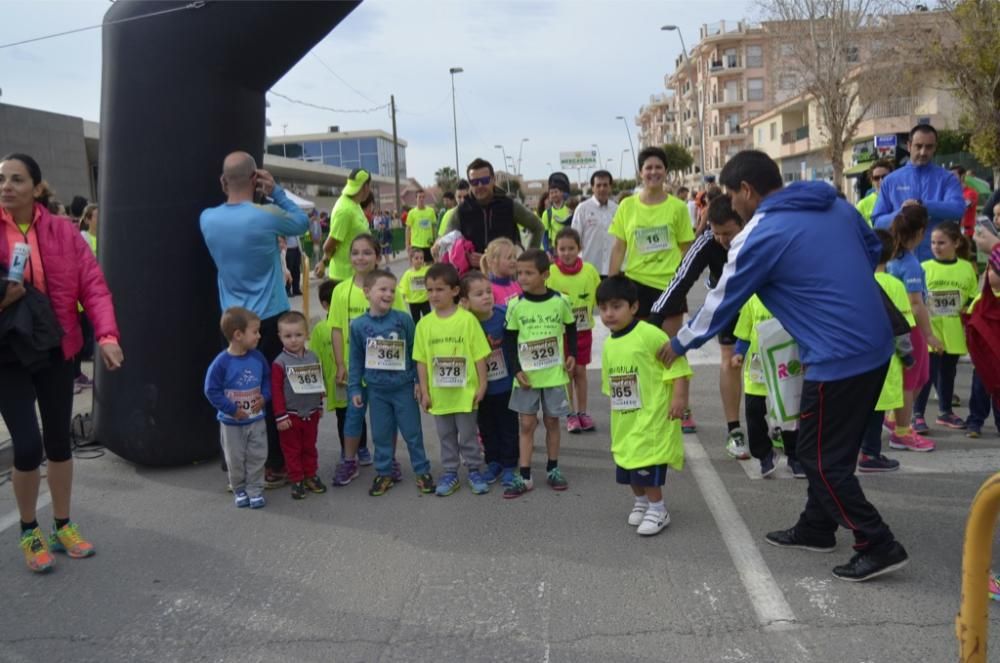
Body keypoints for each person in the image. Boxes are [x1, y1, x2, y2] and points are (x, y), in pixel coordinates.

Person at [661, 150, 908, 582]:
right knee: (830, 447)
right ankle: (817, 526)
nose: (731, 208)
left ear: (746, 191)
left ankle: (877, 542)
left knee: (816, 457)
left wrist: (678, 343)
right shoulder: (836, 205)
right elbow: (871, 248)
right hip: (873, 343)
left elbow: (720, 302)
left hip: (838, 356)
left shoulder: (762, 233)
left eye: (732, 199)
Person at [0, 153, 123, 572]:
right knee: (28, 445)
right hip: (8, 354)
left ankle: (62, 525)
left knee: (57, 442)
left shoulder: (62, 232)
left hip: (57, 348)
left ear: (37, 188)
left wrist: (106, 336)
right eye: (2, 179)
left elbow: (93, 285)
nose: (6, 186)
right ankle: (29, 531)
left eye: (17, 179)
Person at [200, 151, 309, 487]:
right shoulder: (266, 216)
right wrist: (274, 190)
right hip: (267, 319)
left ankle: (237, 461)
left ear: (222, 182)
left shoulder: (207, 219)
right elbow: (302, 223)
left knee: (236, 392)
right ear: (255, 179)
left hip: (232, 320)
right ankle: (275, 464)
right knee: (271, 392)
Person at [649, 194, 747, 456]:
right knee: (729, 358)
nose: (723, 240)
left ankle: (781, 426)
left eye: (728, 233)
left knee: (768, 363)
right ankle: (734, 430)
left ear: (742, 222)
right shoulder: (706, 242)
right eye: (717, 234)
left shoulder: (756, 234)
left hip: (763, 303)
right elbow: (681, 280)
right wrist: (654, 319)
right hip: (726, 302)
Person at [597, 275, 690, 536]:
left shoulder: (649, 334)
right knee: (627, 465)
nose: (609, 314)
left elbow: (677, 364)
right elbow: (611, 384)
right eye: (603, 308)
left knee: (646, 462)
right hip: (626, 418)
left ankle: (658, 509)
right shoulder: (608, 344)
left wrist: (679, 397)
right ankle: (641, 502)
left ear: (634, 307)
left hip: (652, 415)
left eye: (616, 307)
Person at [349, 269, 435, 497]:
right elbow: (356, 359)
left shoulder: (403, 319)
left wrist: (419, 381)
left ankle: (422, 470)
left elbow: (416, 353)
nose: (388, 294)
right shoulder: (358, 326)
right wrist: (355, 387)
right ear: (367, 292)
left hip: (403, 388)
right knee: (381, 434)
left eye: (392, 290)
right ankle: (384, 472)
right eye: (382, 289)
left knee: (412, 432)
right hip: (376, 391)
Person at [329, 234, 407, 485]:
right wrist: (341, 363)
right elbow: (337, 329)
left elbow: (403, 326)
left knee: (387, 417)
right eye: (355, 252)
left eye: (366, 252)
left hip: (387, 369)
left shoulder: (391, 289)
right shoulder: (341, 290)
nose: (360, 257)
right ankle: (349, 461)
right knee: (353, 416)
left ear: (378, 257)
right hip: (357, 369)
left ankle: (388, 459)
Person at [503, 249, 577, 498]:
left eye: (528, 273)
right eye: (519, 272)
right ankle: (524, 475)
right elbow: (509, 340)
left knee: (552, 421)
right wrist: (516, 370)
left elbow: (571, 326)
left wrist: (572, 354)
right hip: (527, 378)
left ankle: (553, 468)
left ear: (545, 274)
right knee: (526, 423)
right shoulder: (515, 305)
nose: (522, 277)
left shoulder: (561, 301)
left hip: (554, 375)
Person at [413, 263, 490, 496]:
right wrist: (424, 391)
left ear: (455, 291)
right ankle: (450, 472)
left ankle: (474, 469)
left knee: (468, 435)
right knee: (445, 436)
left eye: (439, 289)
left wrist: (483, 384)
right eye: (430, 290)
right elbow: (422, 361)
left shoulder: (467, 320)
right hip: (440, 396)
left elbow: (479, 356)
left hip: (465, 393)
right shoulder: (424, 325)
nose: (434, 295)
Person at [608, 146, 694, 320]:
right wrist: (612, 285)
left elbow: (686, 248)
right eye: (648, 168)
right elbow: (619, 247)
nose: (653, 172)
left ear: (665, 171)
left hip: (670, 285)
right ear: (641, 173)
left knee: (667, 346)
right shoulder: (627, 206)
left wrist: (681, 282)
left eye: (658, 167)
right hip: (636, 284)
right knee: (639, 346)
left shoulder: (679, 207)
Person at [912, 221, 977, 432]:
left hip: (953, 329)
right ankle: (917, 414)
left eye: (942, 242)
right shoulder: (923, 268)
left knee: (948, 373)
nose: (936, 247)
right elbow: (916, 298)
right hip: (930, 330)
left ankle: (945, 412)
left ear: (956, 243)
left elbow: (972, 297)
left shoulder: (966, 268)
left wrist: (966, 307)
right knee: (927, 373)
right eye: (932, 243)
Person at [203, 307, 270, 510]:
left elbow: (267, 380)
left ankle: (255, 489)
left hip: (256, 419)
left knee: (258, 454)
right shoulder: (221, 363)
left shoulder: (258, 357)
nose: (259, 336)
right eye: (255, 332)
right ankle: (239, 488)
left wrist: (264, 397)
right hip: (232, 423)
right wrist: (231, 409)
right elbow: (211, 390)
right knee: (235, 458)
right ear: (238, 335)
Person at [731, 294, 802, 478]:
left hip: (784, 366)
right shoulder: (752, 299)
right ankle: (764, 454)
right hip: (758, 367)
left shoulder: (790, 294)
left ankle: (795, 455)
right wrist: (739, 353)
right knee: (754, 410)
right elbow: (744, 334)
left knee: (788, 411)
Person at [872, 124, 965, 261]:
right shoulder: (891, 181)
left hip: (937, 261)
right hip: (900, 261)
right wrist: (902, 212)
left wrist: (923, 206)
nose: (923, 152)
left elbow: (958, 209)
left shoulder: (947, 178)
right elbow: (878, 222)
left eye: (929, 147)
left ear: (935, 147)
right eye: (918, 146)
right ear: (909, 146)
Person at [462, 270, 519, 487]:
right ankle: (493, 462)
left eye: (488, 291)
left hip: (505, 385)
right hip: (480, 388)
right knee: (486, 427)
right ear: (465, 301)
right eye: (479, 294)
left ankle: (508, 465)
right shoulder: (465, 322)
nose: (487, 296)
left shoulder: (504, 314)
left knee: (508, 426)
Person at [860, 229, 910, 473]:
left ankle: (857, 449)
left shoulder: (855, 280)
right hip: (885, 360)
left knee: (860, 409)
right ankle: (870, 454)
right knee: (877, 411)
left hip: (857, 358)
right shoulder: (894, 285)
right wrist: (909, 356)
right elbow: (901, 324)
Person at [547, 227, 600, 434]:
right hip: (561, 334)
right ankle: (570, 414)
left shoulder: (590, 271)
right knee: (567, 373)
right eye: (562, 249)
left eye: (571, 248)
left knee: (580, 372)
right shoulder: (550, 273)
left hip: (583, 331)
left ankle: (583, 412)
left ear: (579, 248)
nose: (567, 253)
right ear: (556, 250)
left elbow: (599, 297)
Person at [446, 158, 544, 268]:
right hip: (473, 279)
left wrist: (526, 259)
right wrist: (463, 257)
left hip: (506, 277)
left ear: (493, 180)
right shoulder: (461, 211)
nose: (479, 185)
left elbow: (537, 227)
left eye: (484, 180)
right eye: (474, 182)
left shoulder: (509, 205)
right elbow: (447, 242)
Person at [271, 311, 326, 500]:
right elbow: (276, 391)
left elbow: (318, 383)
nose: (293, 340)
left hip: (311, 413)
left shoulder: (313, 357)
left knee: (310, 447)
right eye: (287, 336)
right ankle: (296, 479)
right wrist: (280, 415)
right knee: (292, 450)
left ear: (306, 334)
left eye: (298, 335)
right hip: (290, 416)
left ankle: (311, 475)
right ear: (280, 337)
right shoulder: (279, 363)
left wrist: (319, 405)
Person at [315, 168, 373, 282]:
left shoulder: (354, 204)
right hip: (345, 278)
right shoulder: (345, 210)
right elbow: (328, 246)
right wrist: (323, 262)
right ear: (365, 187)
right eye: (370, 186)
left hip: (356, 274)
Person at [73, 203, 100, 393]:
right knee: (81, 339)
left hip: (97, 296)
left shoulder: (106, 235)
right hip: (82, 300)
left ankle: (78, 375)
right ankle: (75, 377)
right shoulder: (84, 238)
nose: (100, 220)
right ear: (88, 219)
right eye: (96, 216)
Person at [571, 170, 617, 277]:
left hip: (612, 270)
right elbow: (574, 238)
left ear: (610, 187)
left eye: (605, 185)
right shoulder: (582, 209)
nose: (602, 189)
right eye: (598, 185)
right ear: (592, 188)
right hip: (589, 268)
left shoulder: (617, 209)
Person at [480, 237, 522, 307]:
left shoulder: (517, 285)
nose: (513, 261)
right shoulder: (489, 291)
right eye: (509, 257)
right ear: (493, 261)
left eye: (515, 257)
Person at [541, 172, 573, 254]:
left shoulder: (570, 210)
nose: (554, 195)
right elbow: (545, 234)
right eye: (551, 193)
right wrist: (547, 251)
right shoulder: (547, 214)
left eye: (556, 192)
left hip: (570, 247)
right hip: (555, 250)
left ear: (562, 193)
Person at [855, 159, 894, 225]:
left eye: (885, 177)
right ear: (872, 181)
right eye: (876, 178)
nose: (881, 181)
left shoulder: (899, 197)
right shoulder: (862, 205)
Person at [399, 247, 431, 321]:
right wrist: (403, 294)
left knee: (428, 319)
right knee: (416, 320)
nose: (419, 260)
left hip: (425, 300)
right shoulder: (408, 274)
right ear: (411, 260)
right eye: (416, 258)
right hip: (413, 302)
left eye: (421, 258)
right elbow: (403, 285)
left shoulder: (427, 270)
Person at [405, 189, 436, 263]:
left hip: (428, 244)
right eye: (419, 197)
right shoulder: (411, 213)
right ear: (416, 198)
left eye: (423, 197)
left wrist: (435, 242)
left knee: (429, 267)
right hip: (416, 244)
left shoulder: (431, 211)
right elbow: (408, 229)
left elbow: (433, 227)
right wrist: (407, 244)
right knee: (416, 267)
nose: (421, 199)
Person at [949, 165, 978, 238]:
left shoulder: (971, 193)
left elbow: (961, 208)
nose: (950, 178)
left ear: (962, 176)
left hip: (967, 233)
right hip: (952, 231)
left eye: (953, 175)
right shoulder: (949, 193)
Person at [284, 227, 303, 297]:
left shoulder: (294, 227)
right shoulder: (285, 227)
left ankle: (296, 289)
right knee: (289, 270)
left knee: (296, 270)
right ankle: (287, 290)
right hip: (288, 250)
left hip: (296, 249)